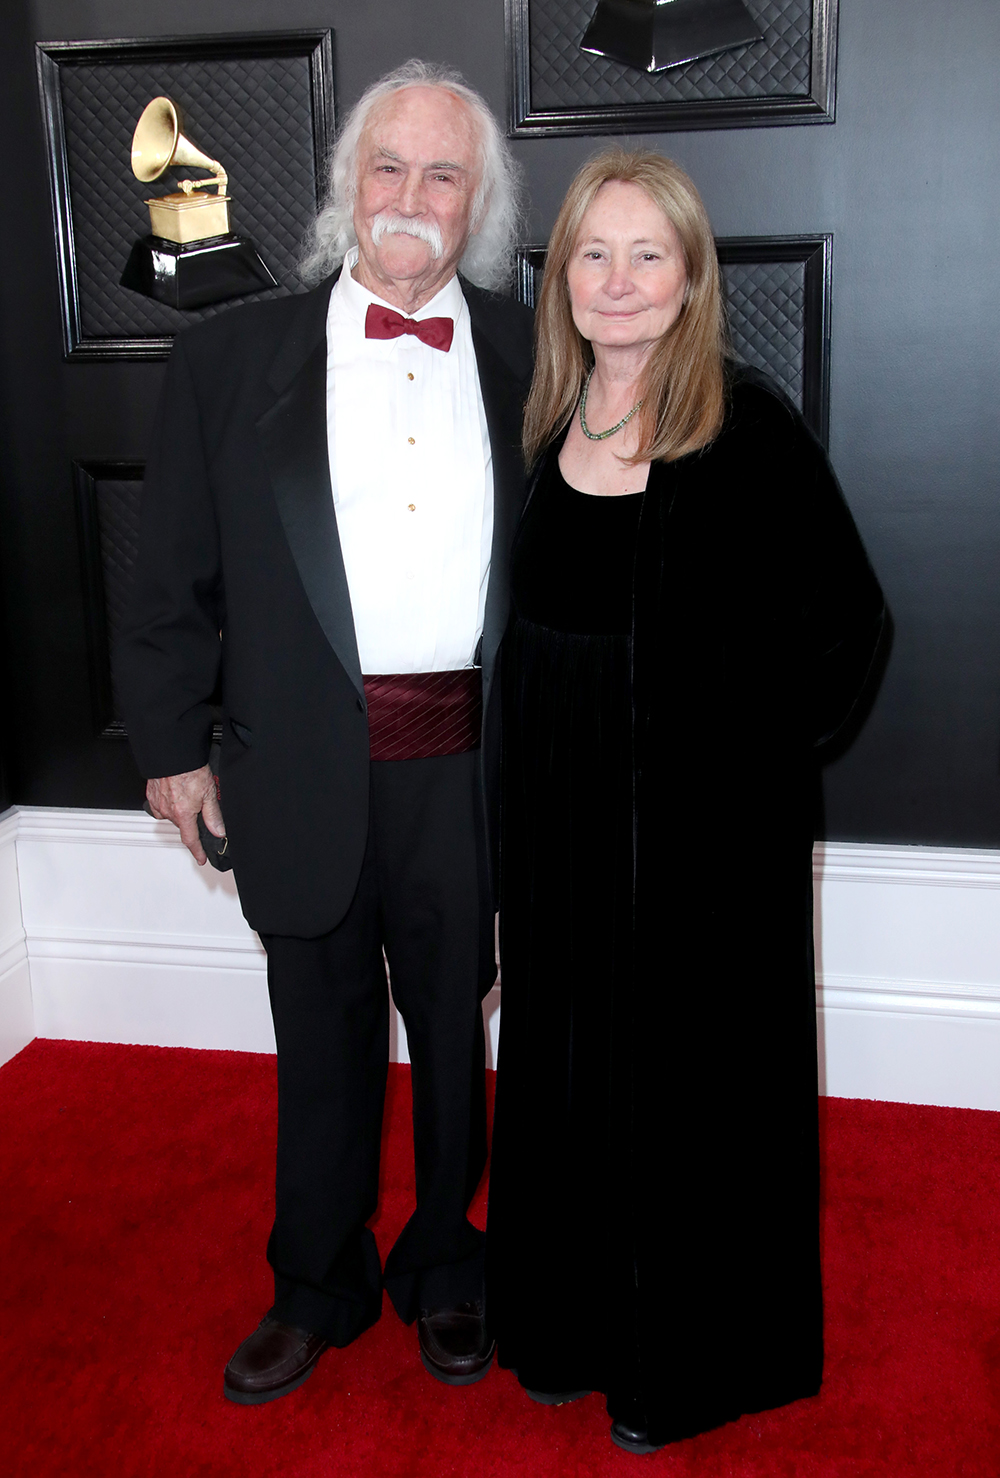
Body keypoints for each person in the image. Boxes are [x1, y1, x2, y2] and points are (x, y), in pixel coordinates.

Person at [117, 60, 533, 1404]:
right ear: (351, 185)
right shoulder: (229, 355)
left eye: (443, 175)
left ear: (478, 203)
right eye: (388, 168)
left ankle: (449, 1260)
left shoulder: (539, 351)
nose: (411, 198)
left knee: (456, 1023)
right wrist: (174, 746)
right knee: (321, 1028)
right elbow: (169, 568)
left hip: (471, 764)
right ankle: (316, 1278)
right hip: (293, 757)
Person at [485, 149, 885, 1454]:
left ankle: (679, 1361)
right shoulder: (551, 426)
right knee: (567, 1085)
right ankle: (565, 1325)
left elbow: (850, 632)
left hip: (700, 855)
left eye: (646, 253)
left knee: (682, 1108)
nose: (616, 281)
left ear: (692, 275)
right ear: (564, 281)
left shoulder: (746, 426)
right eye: (591, 254)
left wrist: (735, 772)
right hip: (559, 838)